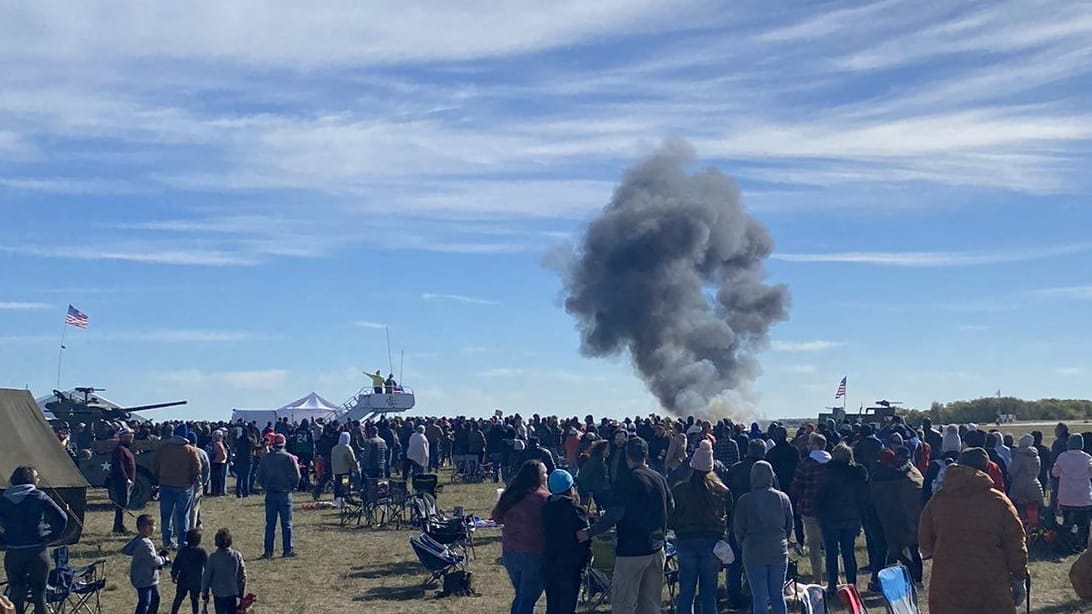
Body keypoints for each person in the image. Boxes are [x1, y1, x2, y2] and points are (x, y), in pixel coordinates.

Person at [919, 447, 1028, 614]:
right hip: (990, 582)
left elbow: (925, 538)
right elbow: (1015, 543)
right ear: (986, 469)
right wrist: (1019, 576)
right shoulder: (998, 501)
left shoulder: (940, 498)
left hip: (948, 581)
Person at [581, 437, 674, 614]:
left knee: (624, 604)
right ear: (646, 455)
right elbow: (671, 506)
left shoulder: (626, 481)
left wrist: (590, 532)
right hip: (656, 549)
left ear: (627, 456)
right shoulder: (659, 478)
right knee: (651, 605)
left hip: (631, 552)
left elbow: (615, 514)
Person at [669, 440, 732, 614]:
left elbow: (671, 517)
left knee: (686, 593)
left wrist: (677, 529)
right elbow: (728, 515)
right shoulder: (721, 491)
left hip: (686, 541)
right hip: (711, 543)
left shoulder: (680, 489)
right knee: (708, 593)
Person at [0, 466, 68, 614]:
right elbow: (61, 517)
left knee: (16, 594)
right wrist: (52, 535)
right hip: (37, 550)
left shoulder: (4, 498)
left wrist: (3, 539)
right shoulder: (39, 496)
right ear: (30, 478)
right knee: (39, 595)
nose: (38, 479)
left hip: (14, 551)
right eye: (36, 476)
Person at [733, 460, 792, 614]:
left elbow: (738, 528)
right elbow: (788, 525)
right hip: (778, 549)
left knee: (759, 596)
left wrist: (743, 545)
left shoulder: (744, 500)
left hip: (753, 551)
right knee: (777, 595)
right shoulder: (783, 498)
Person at [491, 460, 549, 614]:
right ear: (537, 477)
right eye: (544, 473)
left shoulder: (511, 494)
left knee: (522, 596)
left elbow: (496, 517)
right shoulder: (543, 498)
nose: (546, 475)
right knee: (527, 599)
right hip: (534, 551)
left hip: (510, 552)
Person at [814, 443, 868, 594]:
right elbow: (862, 498)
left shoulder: (828, 473)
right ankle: (852, 584)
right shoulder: (856, 474)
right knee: (848, 552)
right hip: (851, 518)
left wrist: (818, 513)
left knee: (831, 554)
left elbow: (820, 496)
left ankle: (832, 586)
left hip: (830, 518)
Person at [870, 447, 924, 582]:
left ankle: (880, 580)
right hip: (901, 516)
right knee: (910, 549)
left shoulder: (874, 472)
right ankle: (915, 576)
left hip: (884, 517)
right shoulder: (894, 474)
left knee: (890, 550)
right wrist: (907, 465)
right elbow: (901, 474)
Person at [541, 469, 591, 614]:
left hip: (550, 563)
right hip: (571, 566)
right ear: (571, 489)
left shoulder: (545, 509)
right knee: (567, 607)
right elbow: (584, 537)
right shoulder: (576, 511)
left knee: (553, 605)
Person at [151, 424, 202, 550]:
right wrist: (191, 480)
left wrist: (159, 478)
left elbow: (154, 465)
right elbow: (197, 468)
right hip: (184, 487)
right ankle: (182, 542)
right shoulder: (190, 450)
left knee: (166, 515)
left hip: (165, 485)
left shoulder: (164, 448)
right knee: (182, 515)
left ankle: (166, 541)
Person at [789, 432, 829, 581]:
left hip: (809, 508)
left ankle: (818, 578)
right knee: (830, 546)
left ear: (815, 446)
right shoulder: (831, 462)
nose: (807, 446)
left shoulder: (806, 463)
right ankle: (834, 577)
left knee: (814, 546)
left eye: (810, 443)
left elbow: (796, 487)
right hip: (830, 510)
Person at [256, 433, 302, 559]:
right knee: (287, 523)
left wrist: (265, 486)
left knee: (270, 524)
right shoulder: (289, 458)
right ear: (284, 443)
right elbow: (297, 476)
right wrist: (292, 487)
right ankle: (287, 549)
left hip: (271, 493)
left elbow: (259, 476)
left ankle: (268, 551)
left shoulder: (266, 458)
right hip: (285, 493)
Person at [1052, 433, 1092, 552]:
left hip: (1067, 496)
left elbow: (1055, 473)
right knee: (1084, 524)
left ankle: (1068, 543)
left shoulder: (1062, 457)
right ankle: (1083, 545)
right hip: (1083, 496)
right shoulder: (1087, 457)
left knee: (1067, 522)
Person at [123, 514, 170, 614]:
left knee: (154, 599)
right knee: (146, 602)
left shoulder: (138, 540)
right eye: (153, 525)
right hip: (145, 578)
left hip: (144, 577)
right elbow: (153, 560)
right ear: (146, 528)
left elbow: (127, 550)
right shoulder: (145, 543)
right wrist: (163, 559)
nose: (155, 528)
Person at [202, 528, 247, 614]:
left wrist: (205, 592)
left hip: (218, 594)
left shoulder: (213, 558)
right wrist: (241, 592)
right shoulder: (236, 555)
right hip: (233, 593)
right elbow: (243, 575)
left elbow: (207, 576)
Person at [170, 528, 207, 614]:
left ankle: (174, 612)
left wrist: (174, 575)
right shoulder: (201, 551)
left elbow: (176, 564)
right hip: (196, 581)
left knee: (178, 598)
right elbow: (207, 565)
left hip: (183, 579)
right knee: (195, 599)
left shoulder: (183, 551)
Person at [1008, 434, 1044, 523]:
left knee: (1021, 511)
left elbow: (1012, 471)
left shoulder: (1020, 456)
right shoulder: (1036, 457)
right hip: (1035, 485)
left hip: (1019, 487)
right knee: (1033, 511)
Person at [111, 426, 137, 534]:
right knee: (121, 505)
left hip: (127, 481)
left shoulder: (125, 449)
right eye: (130, 437)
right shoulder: (120, 450)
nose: (131, 439)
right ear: (124, 438)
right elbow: (119, 465)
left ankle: (120, 525)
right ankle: (118, 527)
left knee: (123, 504)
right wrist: (126, 478)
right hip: (122, 482)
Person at [330, 431, 358, 507]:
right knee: (345, 485)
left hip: (336, 471)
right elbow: (352, 459)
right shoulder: (347, 447)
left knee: (337, 485)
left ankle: (337, 499)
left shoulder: (334, 448)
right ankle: (346, 498)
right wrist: (355, 468)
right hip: (345, 471)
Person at [208, 431, 229, 497]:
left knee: (215, 478)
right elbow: (223, 453)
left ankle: (215, 492)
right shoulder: (219, 443)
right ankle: (217, 492)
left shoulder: (215, 443)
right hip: (219, 462)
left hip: (216, 462)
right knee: (218, 478)